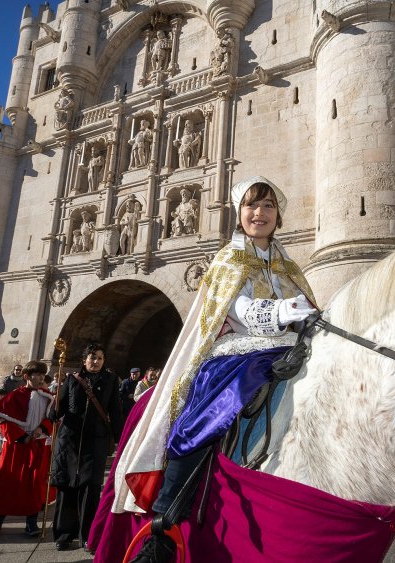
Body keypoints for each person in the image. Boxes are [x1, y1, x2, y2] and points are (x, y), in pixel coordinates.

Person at [113, 176, 317, 563]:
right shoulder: (228, 258)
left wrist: (309, 316)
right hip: (238, 350)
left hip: (290, 345)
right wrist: (286, 310)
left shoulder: (287, 264)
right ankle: (165, 523)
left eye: (269, 206)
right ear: (239, 214)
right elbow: (238, 311)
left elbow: (307, 306)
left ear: (279, 216)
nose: (260, 213)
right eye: (252, 206)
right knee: (210, 413)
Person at [50, 343, 123, 551]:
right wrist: (54, 408)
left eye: (100, 358)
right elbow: (58, 410)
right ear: (84, 360)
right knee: (67, 486)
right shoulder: (72, 379)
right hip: (70, 440)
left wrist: (121, 438)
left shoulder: (111, 380)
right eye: (92, 357)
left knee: (90, 488)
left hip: (96, 440)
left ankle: (87, 535)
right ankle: (64, 534)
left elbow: (115, 410)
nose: (96, 361)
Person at [0, 360, 55, 537]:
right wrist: (22, 437)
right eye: (37, 375)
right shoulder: (15, 396)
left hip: (38, 445)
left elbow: (53, 418)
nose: (41, 378)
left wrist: (42, 428)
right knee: (9, 483)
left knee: (34, 484)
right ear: (26, 376)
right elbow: (3, 419)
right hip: (16, 447)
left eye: (42, 375)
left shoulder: (49, 397)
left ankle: (31, 522)